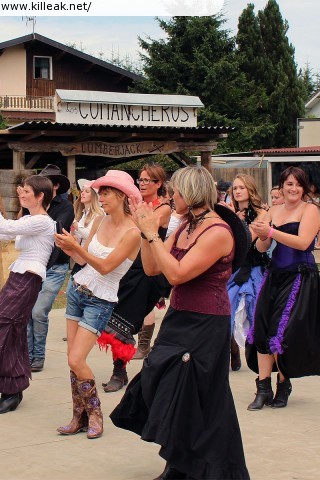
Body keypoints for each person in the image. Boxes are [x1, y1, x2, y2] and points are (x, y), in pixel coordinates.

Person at [111, 166, 250, 479]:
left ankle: (182, 466)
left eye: (175, 191)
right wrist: (148, 234)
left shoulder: (217, 232)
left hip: (207, 322)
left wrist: (150, 233)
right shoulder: (185, 226)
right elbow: (151, 269)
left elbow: (176, 273)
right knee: (160, 378)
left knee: (192, 392)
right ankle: (182, 462)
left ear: (190, 193)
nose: (171, 197)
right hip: (179, 317)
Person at [54, 171, 140, 439]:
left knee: (76, 358)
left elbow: (104, 267)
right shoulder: (99, 222)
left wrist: (77, 249)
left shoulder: (133, 233)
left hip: (101, 299)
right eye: (99, 192)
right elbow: (83, 262)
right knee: (73, 361)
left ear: (123, 196)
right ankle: (78, 415)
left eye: (105, 192)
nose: (99, 197)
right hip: (77, 290)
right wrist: (69, 248)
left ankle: (95, 413)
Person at [0, 175, 55, 415]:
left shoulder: (44, 222)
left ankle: (12, 390)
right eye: (21, 190)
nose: (21, 194)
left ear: (40, 196)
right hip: (19, 277)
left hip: (28, 278)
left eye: (26, 191)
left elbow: (4, 227)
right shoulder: (29, 219)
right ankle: (13, 386)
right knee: (8, 329)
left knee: (4, 328)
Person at [246, 166, 320, 411]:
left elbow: (303, 242)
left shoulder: (310, 209)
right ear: (281, 187)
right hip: (275, 274)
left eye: (299, 184)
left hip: (300, 275)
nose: (294, 189)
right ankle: (263, 387)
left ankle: (283, 383)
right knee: (262, 326)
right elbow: (261, 249)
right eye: (289, 184)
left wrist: (271, 231)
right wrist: (262, 235)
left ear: (305, 187)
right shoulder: (273, 210)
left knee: (282, 330)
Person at [100, 164, 172, 394]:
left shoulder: (163, 209)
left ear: (158, 184)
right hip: (130, 267)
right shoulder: (134, 205)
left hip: (150, 271)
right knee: (116, 316)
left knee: (127, 318)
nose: (142, 184)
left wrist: (128, 211)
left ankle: (120, 370)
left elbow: (144, 224)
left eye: (147, 180)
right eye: (139, 180)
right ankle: (119, 370)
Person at [27, 164, 74, 373]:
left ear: (55, 186)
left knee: (38, 311)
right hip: (33, 266)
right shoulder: (31, 207)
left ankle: (38, 356)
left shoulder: (65, 207)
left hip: (55, 267)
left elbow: (54, 231)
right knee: (27, 311)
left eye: (46, 184)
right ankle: (27, 355)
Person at [227, 174, 269, 372]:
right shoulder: (230, 212)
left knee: (255, 314)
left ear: (250, 190)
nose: (237, 191)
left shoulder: (261, 213)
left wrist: (237, 222)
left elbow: (248, 241)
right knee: (226, 311)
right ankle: (232, 348)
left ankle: (257, 359)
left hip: (254, 269)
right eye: (235, 188)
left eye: (241, 187)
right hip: (234, 270)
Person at [71, 178, 104, 274]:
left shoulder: (99, 213)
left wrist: (74, 223)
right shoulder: (82, 213)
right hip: (81, 256)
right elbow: (78, 235)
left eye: (87, 192)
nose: (82, 193)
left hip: (91, 259)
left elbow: (91, 235)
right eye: (82, 191)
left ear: (94, 196)